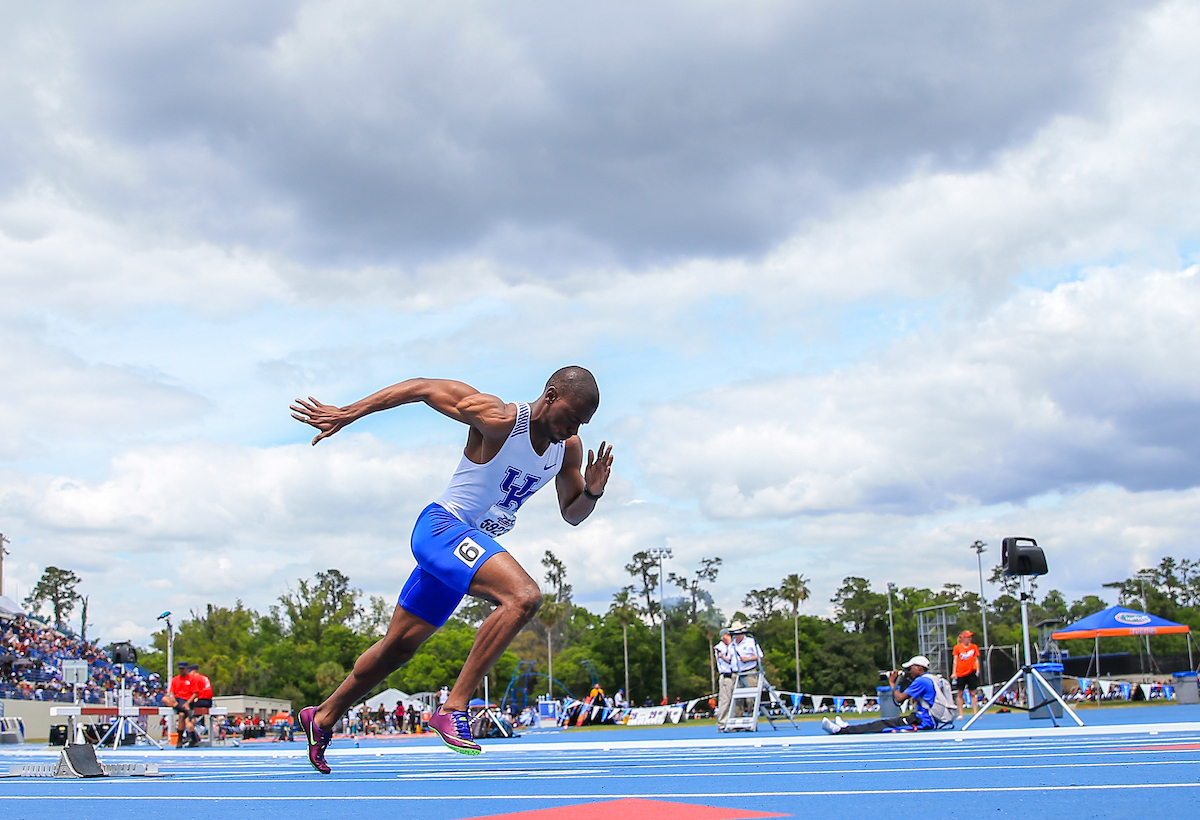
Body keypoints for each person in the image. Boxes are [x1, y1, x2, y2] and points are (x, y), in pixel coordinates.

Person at [291, 368, 612, 773]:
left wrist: (593, 492)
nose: (572, 429)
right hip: (443, 529)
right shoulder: (499, 420)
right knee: (523, 597)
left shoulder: (568, 449)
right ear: (550, 395)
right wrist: (349, 412)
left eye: (581, 423)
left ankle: (321, 716)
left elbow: (572, 514)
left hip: (466, 549)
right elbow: (422, 389)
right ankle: (454, 706)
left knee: (399, 647)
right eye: (571, 416)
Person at [822, 656, 938, 735]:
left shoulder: (921, 681)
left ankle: (841, 730)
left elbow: (899, 699)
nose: (909, 671)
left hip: (923, 720)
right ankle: (847, 728)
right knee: (883, 723)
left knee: (881, 725)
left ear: (919, 668)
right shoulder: (931, 679)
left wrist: (892, 683)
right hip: (925, 718)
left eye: (910, 668)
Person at [160, 661, 195, 748]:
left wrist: (188, 702)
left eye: (183, 669)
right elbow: (171, 691)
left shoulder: (191, 679)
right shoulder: (175, 679)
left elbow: (195, 693)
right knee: (164, 698)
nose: (181, 671)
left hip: (186, 699)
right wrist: (172, 698)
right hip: (176, 700)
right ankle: (181, 709)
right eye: (180, 669)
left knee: (182, 715)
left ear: (186, 669)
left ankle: (179, 739)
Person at [952, 630, 983, 719]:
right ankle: (961, 713)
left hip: (971, 672)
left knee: (973, 692)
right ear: (963, 638)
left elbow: (976, 659)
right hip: (960, 672)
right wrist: (954, 672)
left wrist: (978, 670)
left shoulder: (974, 647)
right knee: (960, 693)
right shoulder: (957, 647)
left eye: (970, 637)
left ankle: (975, 713)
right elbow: (955, 660)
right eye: (968, 637)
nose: (969, 639)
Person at [713, 629, 734, 730]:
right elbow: (729, 660)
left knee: (734, 701)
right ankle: (722, 723)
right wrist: (729, 644)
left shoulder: (732, 645)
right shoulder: (719, 647)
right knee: (725, 700)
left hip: (734, 675)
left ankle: (732, 722)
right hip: (726, 675)